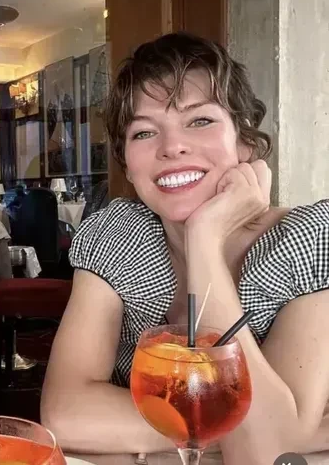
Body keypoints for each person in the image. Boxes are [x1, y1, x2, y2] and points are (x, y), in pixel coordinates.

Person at [41, 33, 329, 464]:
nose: (171, 146)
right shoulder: (119, 236)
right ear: (128, 165)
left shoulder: (308, 240)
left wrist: (205, 244)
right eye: (144, 132)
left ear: (245, 142)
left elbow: (267, 457)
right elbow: (64, 415)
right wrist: (257, 430)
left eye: (200, 121)